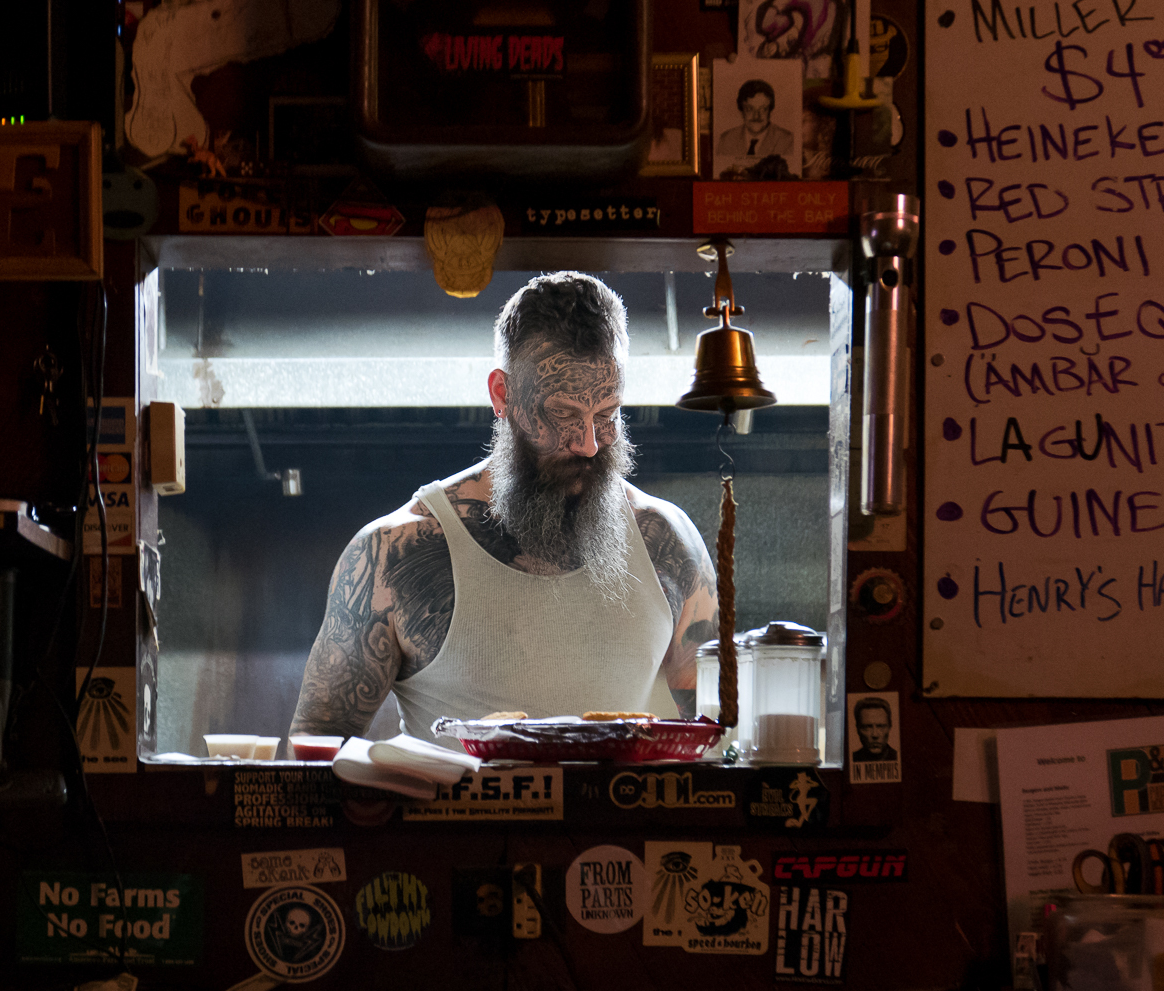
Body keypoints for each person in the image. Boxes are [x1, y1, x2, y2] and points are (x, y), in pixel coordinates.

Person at [290, 272, 719, 746]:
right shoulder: (393, 553)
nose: (590, 444)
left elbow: (719, 736)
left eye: (607, 414)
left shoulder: (668, 543)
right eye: (562, 415)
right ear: (502, 395)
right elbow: (316, 749)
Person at [714, 79, 794, 163]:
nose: (756, 116)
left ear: (770, 110)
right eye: (750, 109)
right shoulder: (727, 140)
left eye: (763, 109)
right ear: (742, 110)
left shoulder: (786, 141)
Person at [851, 697, 897, 762]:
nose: (875, 735)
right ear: (858, 729)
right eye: (867, 727)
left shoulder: (900, 757)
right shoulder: (850, 759)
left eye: (880, 726)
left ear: (890, 727)